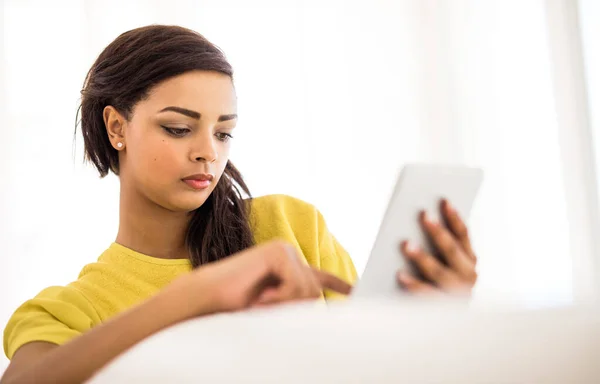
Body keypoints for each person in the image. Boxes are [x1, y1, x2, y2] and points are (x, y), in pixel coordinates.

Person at [0, 25, 478, 384]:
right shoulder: (71, 309)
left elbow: (377, 368)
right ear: (116, 127)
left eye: (224, 132)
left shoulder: (291, 228)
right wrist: (195, 296)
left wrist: (439, 321)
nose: (209, 151)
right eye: (179, 128)